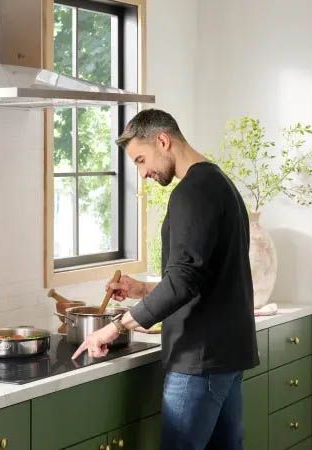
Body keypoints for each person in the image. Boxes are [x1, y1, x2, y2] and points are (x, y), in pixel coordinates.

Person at [71, 109, 259, 450]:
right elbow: (202, 275)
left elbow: (184, 280)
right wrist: (142, 289)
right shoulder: (220, 184)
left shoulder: (191, 192)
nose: (143, 173)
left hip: (197, 360)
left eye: (141, 160)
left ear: (162, 140)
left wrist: (115, 327)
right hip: (226, 355)